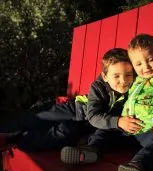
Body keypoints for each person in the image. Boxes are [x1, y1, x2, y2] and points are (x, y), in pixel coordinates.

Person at [61, 34, 153, 171]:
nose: (145, 67)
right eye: (139, 64)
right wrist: (121, 122)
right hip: (127, 129)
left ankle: (138, 166)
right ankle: (90, 150)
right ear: (133, 66)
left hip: (150, 130)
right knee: (106, 131)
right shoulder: (136, 80)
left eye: (150, 60)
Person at [0, 48, 135, 152]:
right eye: (116, 76)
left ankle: (17, 139)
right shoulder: (98, 87)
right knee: (41, 118)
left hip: (84, 125)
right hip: (75, 108)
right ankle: (13, 133)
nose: (123, 81)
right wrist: (117, 121)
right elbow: (93, 115)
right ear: (105, 76)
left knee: (60, 135)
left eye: (128, 75)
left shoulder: (134, 91)